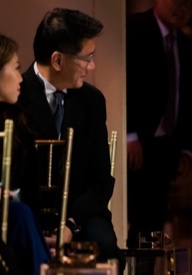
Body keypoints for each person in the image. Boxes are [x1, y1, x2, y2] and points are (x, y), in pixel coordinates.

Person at [0, 32, 106, 275]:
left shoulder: (21, 116)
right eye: (13, 70)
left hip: (60, 217)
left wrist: (69, 223)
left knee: (87, 239)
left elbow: (101, 180)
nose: (20, 77)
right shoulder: (21, 106)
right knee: (23, 220)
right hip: (18, 219)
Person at [16, 8, 118, 258]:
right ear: (58, 60)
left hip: (79, 215)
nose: (92, 66)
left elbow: (101, 181)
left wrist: (70, 224)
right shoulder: (16, 97)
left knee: (105, 245)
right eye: (87, 57)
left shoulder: (92, 102)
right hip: (31, 213)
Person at [125, 0, 192, 275]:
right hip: (137, 143)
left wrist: (184, 147)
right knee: (132, 220)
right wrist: (130, 134)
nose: (182, 8)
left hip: (166, 148)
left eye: (190, 4)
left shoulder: (187, 44)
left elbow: (188, 98)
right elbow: (126, 84)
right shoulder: (134, 30)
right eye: (177, 1)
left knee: (151, 225)